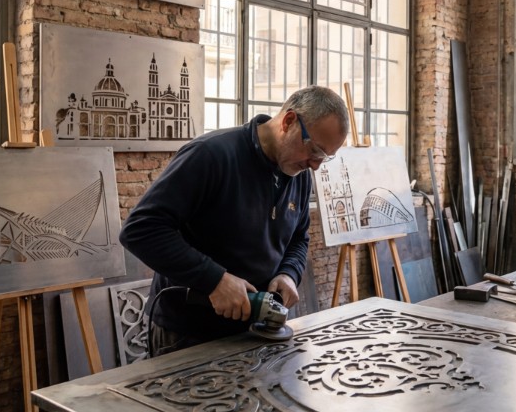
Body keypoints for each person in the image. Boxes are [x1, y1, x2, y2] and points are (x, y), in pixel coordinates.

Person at [120, 85, 349, 356]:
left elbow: (299, 238)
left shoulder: (299, 176)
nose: (315, 165)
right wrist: (214, 280)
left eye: (325, 157)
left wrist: (289, 272)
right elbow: (140, 229)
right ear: (289, 122)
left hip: (254, 330)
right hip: (188, 333)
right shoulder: (211, 155)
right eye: (314, 150)